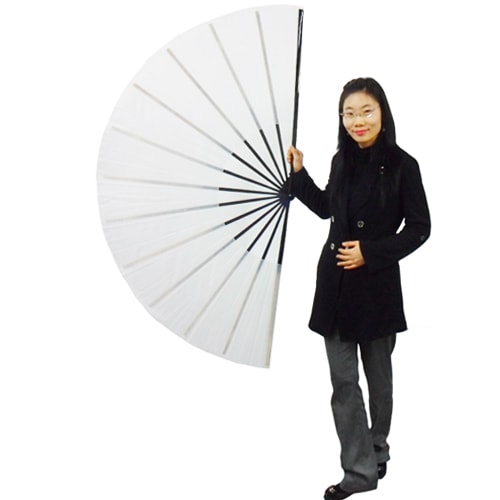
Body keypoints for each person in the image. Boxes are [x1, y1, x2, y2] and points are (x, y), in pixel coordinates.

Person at [287, 77, 431, 499]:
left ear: (382, 113)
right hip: (334, 287)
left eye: (366, 111)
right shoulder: (341, 160)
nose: (357, 121)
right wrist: (299, 174)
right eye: (348, 114)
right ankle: (359, 471)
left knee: (379, 381)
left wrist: (370, 252)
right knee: (344, 383)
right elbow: (326, 208)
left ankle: (377, 448)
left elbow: (420, 228)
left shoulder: (404, 165)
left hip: (376, 288)